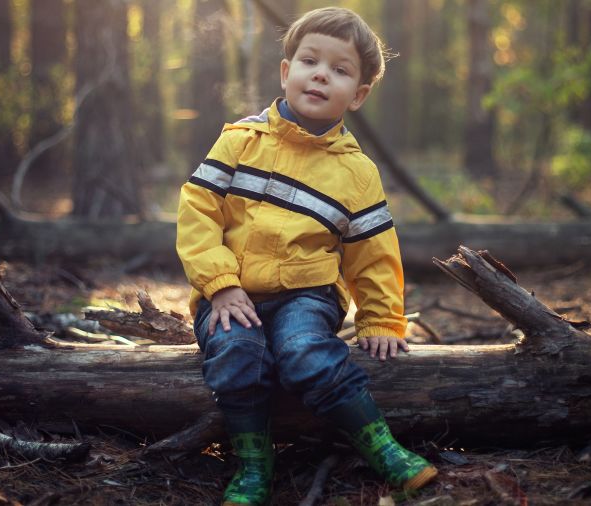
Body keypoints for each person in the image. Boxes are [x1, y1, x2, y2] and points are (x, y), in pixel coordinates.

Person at [176, 6, 437, 504]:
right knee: (236, 353)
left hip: (308, 295)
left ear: (358, 95)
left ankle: (382, 447)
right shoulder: (238, 141)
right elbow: (197, 213)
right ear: (286, 71)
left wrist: (383, 319)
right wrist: (221, 284)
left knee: (303, 353)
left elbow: (373, 253)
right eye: (310, 61)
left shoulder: (357, 174)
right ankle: (254, 464)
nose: (321, 74)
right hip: (231, 291)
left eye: (340, 70)